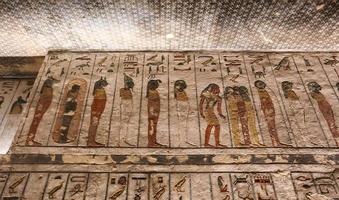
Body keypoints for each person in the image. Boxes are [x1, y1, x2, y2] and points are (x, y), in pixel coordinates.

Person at [307, 81, 339, 146]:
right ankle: (336, 139)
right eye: (316, 86)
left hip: (326, 107)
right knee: (331, 124)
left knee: (333, 123)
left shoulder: (317, 93)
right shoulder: (314, 94)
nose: (318, 86)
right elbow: (322, 102)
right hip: (325, 108)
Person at [199, 83, 226, 148]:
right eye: (214, 89)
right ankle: (213, 143)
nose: (215, 90)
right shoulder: (206, 94)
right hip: (207, 112)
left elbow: (218, 108)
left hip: (211, 111)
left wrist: (220, 114)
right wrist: (201, 112)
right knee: (214, 125)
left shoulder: (218, 98)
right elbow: (201, 104)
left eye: (216, 89)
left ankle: (212, 143)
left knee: (213, 126)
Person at [174, 80, 196, 147]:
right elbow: (180, 103)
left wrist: (190, 109)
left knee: (185, 125)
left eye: (181, 85)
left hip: (185, 108)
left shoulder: (182, 92)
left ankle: (184, 140)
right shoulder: (177, 92)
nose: (179, 87)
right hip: (181, 108)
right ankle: (182, 141)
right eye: (178, 85)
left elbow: (186, 101)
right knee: (182, 125)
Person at [87, 77, 108, 147]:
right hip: (96, 112)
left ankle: (91, 140)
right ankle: (90, 141)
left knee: (94, 125)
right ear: (101, 84)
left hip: (96, 112)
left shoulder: (99, 90)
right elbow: (99, 103)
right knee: (94, 125)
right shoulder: (100, 91)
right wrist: (98, 111)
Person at [146, 79, 165, 147]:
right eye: (157, 85)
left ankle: (153, 141)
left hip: (154, 112)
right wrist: (154, 112)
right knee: (152, 127)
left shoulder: (153, 91)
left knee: (153, 127)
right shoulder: (152, 92)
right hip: (153, 113)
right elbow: (153, 104)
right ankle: (151, 143)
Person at [119, 74, 135, 146]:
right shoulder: (122, 90)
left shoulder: (129, 90)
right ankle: (121, 140)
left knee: (127, 123)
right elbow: (122, 97)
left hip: (128, 105)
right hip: (125, 105)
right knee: (124, 123)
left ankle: (124, 139)